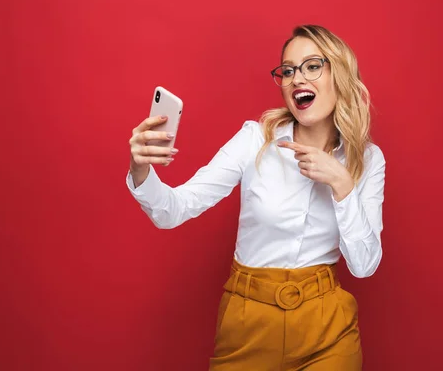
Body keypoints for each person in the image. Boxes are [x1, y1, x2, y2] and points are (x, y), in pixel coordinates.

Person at [127, 24, 386, 371]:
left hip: (327, 328)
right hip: (248, 322)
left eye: (312, 66)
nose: (297, 78)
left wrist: (342, 184)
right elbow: (174, 210)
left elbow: (365, 265)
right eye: (288, 70)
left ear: (339, 73)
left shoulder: (368, 160)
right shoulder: (254, 140)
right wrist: (140, 169)